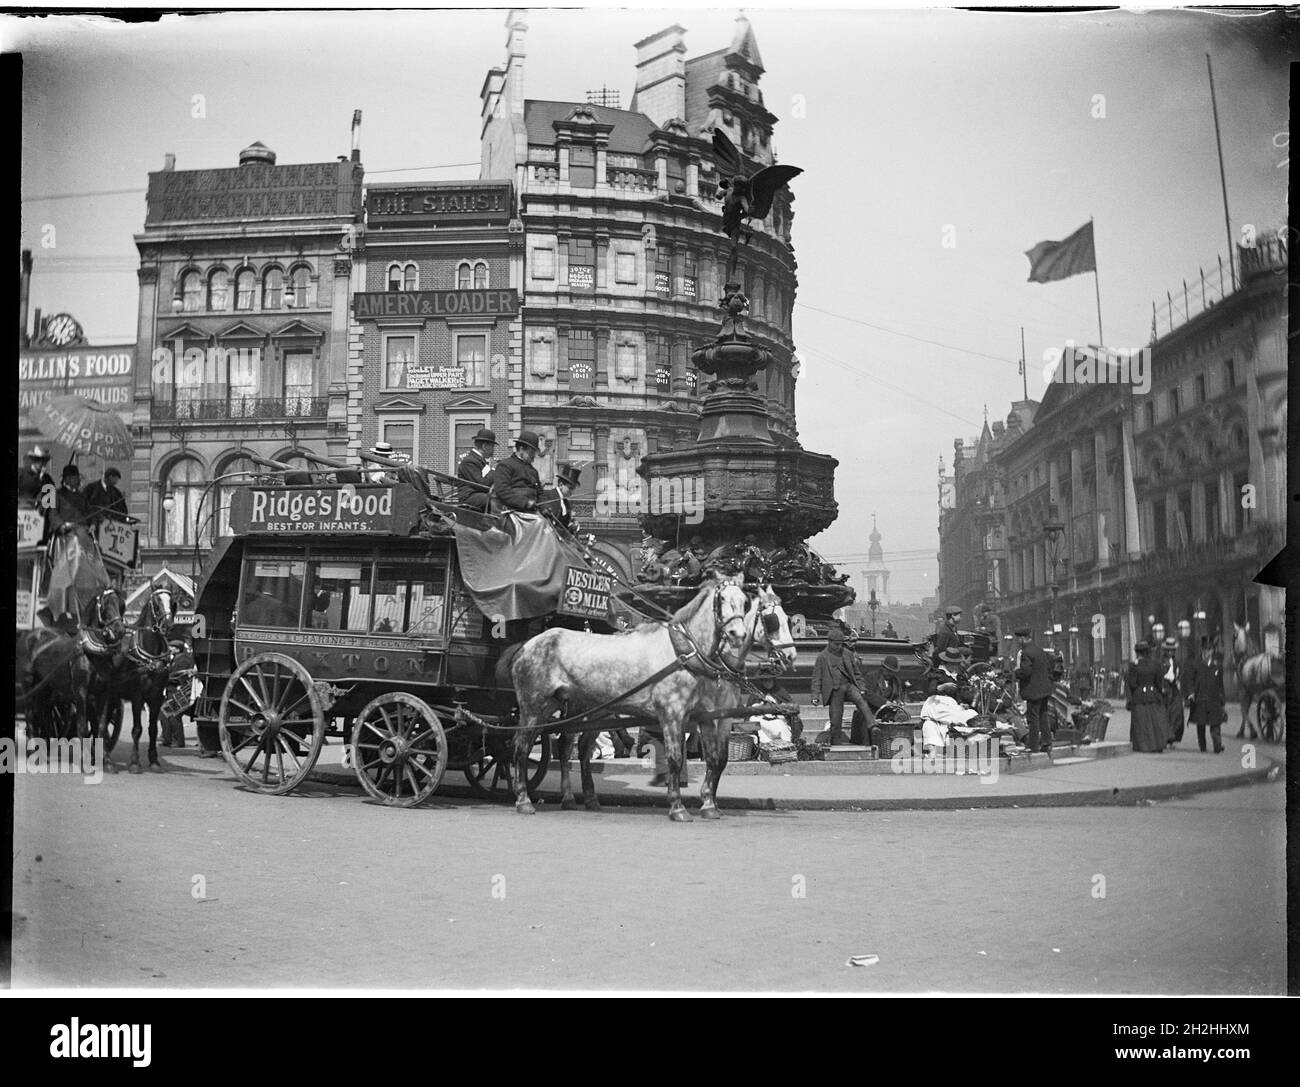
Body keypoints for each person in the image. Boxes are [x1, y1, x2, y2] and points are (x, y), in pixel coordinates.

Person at [810, 625, 875, 746]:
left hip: (849, 686)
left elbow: (857, 673)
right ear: (829, 642)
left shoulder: (847, 654)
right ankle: (836, 742)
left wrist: (861, 687)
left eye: (840, 644)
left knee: (861, 701)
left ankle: (873, 726)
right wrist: (815, 696)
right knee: (836, 717)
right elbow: (816, 678)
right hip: (835, 690)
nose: (839, 647)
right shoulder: (822, 657)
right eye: (836, 644)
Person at [1014, 626, 1054, 754]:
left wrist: (1016, 672)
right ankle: (1047, 743)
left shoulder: (1026, 652)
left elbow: (1026, 672)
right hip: (1044, 689)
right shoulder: (1039, 650)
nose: (1017, 642)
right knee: (1043, 716)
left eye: (1018, 639)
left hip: (1033, 691)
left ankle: (1033, 745)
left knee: (1033, 718)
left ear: (1022, 638)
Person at [1182, 641, 1226, 754]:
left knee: (1215, 722)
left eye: (1210, 650)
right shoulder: (1195, 665)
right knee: (1201, 723)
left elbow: (1220, 684)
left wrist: (1222, 699)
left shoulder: (1216, 666)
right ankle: (1202, 745)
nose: (1208, 653)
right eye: (1206, 650)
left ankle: (1217, 744)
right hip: (1200, 697)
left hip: (1213, 698)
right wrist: (1191, 693)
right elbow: (1190, 680)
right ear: (1202, 651)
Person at [1126, 640, 1168, 753]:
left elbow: (1132, 683)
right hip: (1153, 694)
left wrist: (1130, 697)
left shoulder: (1134, 666)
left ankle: (1143, 745)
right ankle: (1157, 744)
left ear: (1137, 652)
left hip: (1139, 695)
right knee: (1155, 722)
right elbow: (1159, 682)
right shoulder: (1156, 664)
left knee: (1141, 723)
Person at [490, 430, 543, 512]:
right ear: (521, 449)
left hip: (531, 510)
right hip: (512, 510)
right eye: (531, 452)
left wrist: (544, 507)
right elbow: (502, 491)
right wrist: (525, 502)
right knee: (540, 523)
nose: (534, 456)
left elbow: (540, 493)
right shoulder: (505, 465)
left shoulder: (533, 471)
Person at [455, 427, 497, 510]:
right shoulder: (469, 461)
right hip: (470, 497)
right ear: (484, 446)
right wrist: (494, 469)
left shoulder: (478, 460)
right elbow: (482, 484)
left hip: (478, 494)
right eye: (492, 447)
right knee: (497, 500)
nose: (493, 450)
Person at [47, 463, 90, 536]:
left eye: (77, 477)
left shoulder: (82, 497)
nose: (77, 480)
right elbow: (52, 513)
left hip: (82, 531)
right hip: (64, 533)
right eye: (73, 478)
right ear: (66, 479)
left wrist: (93, 524)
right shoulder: (56, 494)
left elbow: (89, 512)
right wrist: (60, 525)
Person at [1159, 636, 1185, 749]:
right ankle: (1164, 738)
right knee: (1165, 714)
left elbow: (1179, 673)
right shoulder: (1161, 661)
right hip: (1164, 688)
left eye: (1172, 650)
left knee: (1177, 713)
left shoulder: (1176, 661)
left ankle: (1172, 738)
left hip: (1174, 688)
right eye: (1168, 650)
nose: (1170, 652)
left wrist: (1178, 680)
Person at [540, 463, 582, 532]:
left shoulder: (567, 504)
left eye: (573, 489)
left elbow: (565, 525)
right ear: (561, 485)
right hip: (546, 536)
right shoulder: (547, 495)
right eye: (570, 488)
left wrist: (573, 525)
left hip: (559, 538)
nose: (572, 492)